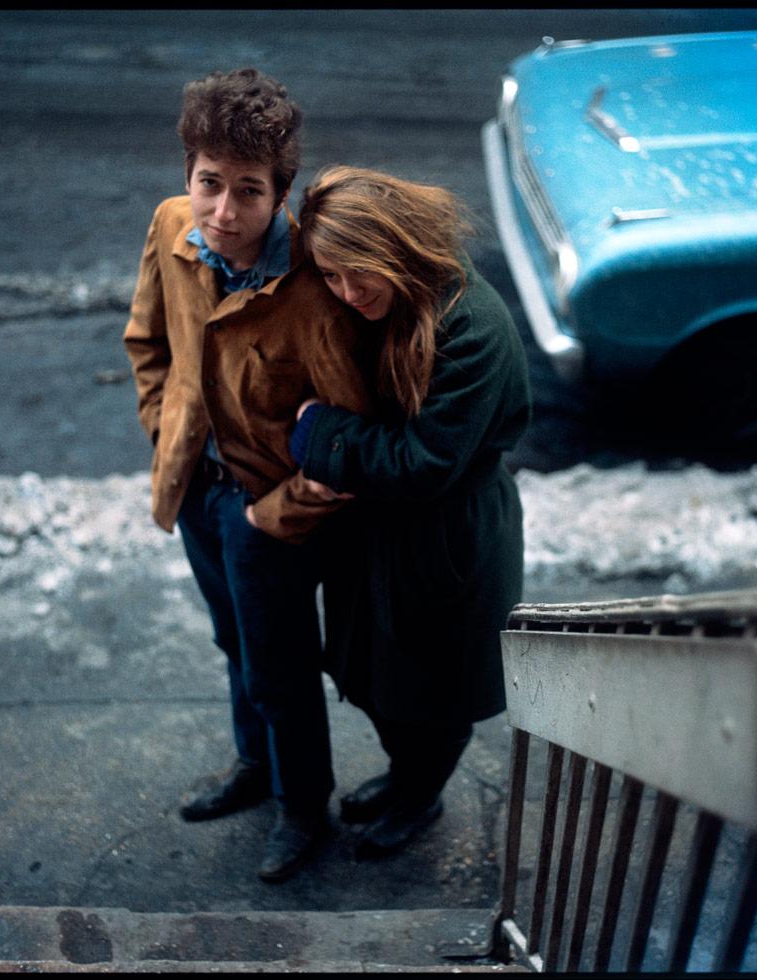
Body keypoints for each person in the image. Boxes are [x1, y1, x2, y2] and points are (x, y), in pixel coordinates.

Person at [123, 71, 372, 882]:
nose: (222, 213)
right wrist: (167, 429)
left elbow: (346, 440)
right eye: (208, 184)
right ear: (187, 177)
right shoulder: (170, 228)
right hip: (197, 487)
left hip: (268, 514)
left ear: (281, 195)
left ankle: (304, 807)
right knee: (232, 639)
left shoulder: (312, 289)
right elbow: (146, 342)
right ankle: (255, 769)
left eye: (248, 192)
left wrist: (275, 513)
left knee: (280, 662)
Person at [289, 165, 532, 856]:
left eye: (354, 273)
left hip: (447, 538)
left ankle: (419, 796)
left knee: (432, 692)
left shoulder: (471, 328)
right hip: (383, 535)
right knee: (376, 678)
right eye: (330, 277)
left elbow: (421, 463)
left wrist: (316, 434)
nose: (345, 292)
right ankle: (404, 778)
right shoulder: (390, 300)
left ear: (392, 246)